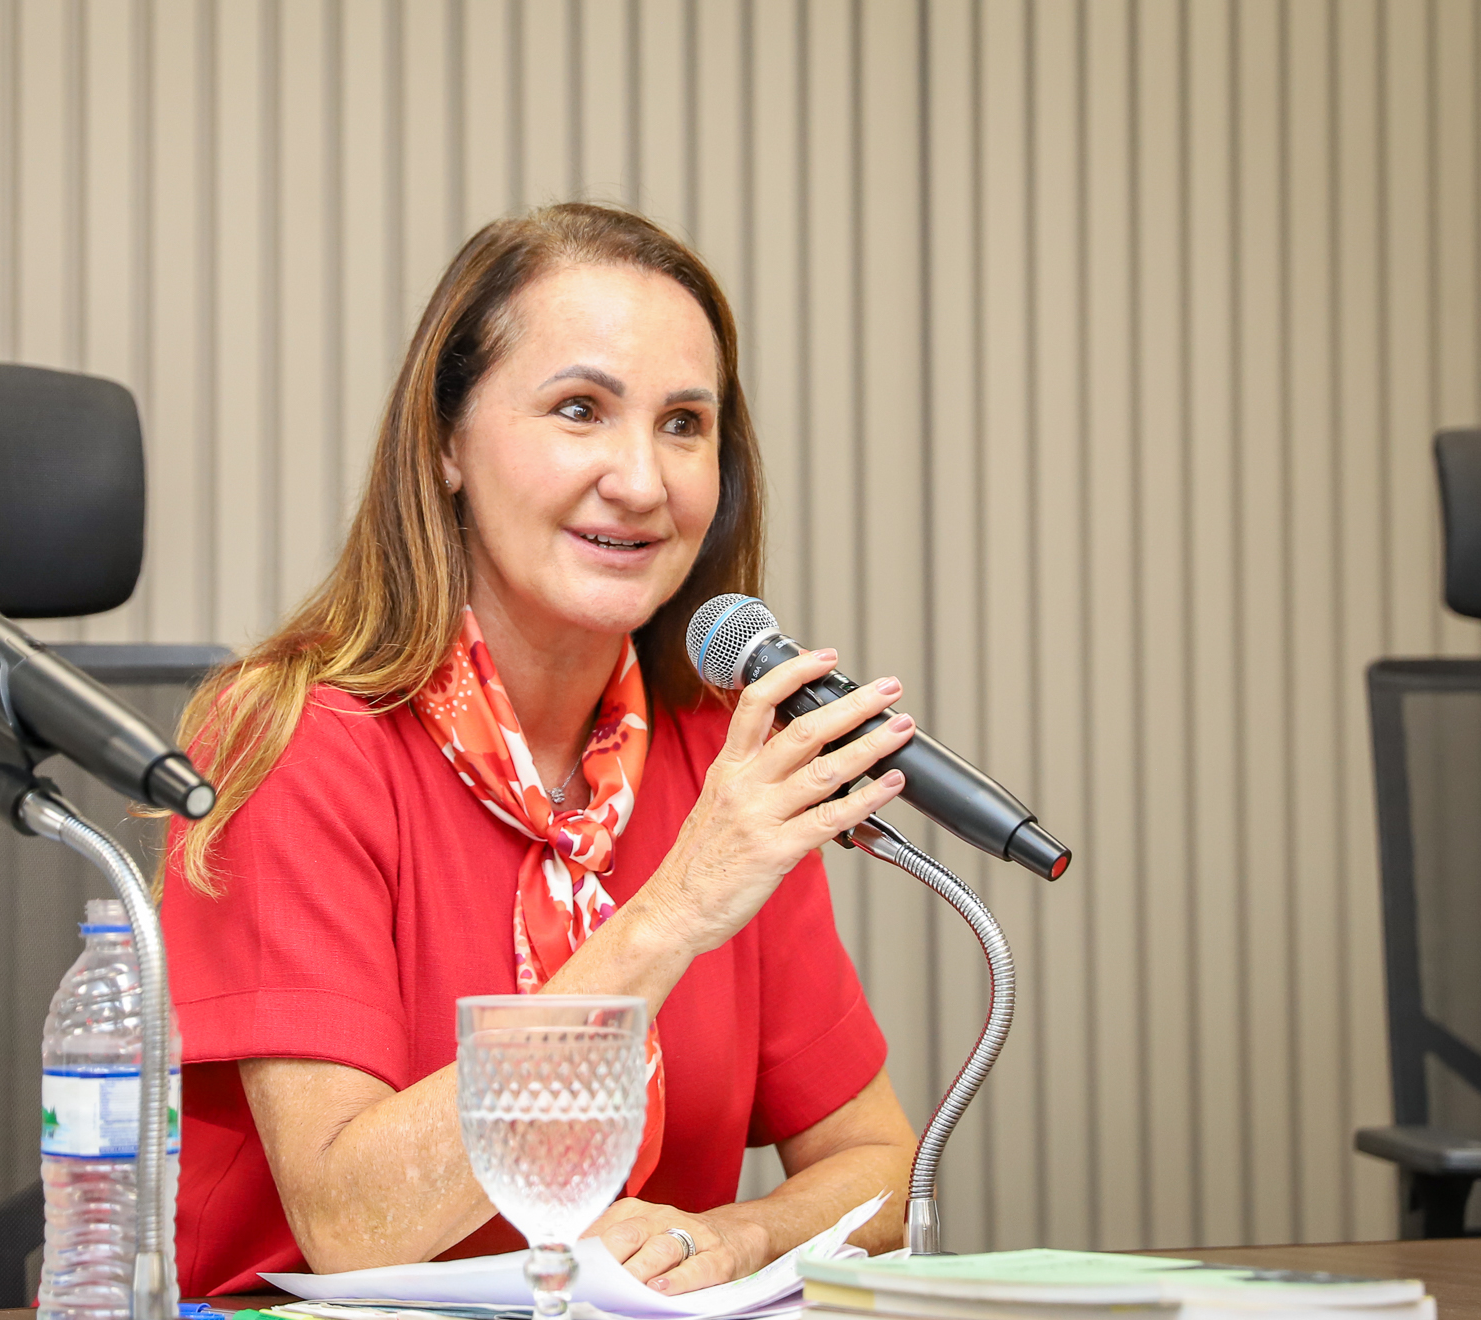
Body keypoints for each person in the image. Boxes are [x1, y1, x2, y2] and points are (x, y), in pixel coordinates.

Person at [158, 203, 918, 1298]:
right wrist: (669, 914)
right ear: (445, 443)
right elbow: (352, 1222)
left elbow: (881, 1168)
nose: (644, 481)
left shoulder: (720, 755)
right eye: (580, 410)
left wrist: (742, 1239)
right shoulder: (292, 739)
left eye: (684, 424)